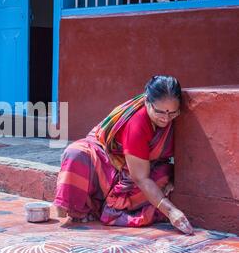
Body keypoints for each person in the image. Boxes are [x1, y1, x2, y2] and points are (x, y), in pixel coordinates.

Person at [54, 75, 194, 235]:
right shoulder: (137, 123)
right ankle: (79, 210)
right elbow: (140, 178)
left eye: (172, 113)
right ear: (147, 101)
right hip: (107, 161)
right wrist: (171, 211)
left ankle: (106, 207)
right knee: (75, 154)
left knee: (164, 174)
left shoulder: (174, 119)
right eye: (160, 112)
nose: (165, 118)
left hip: (138, 168)